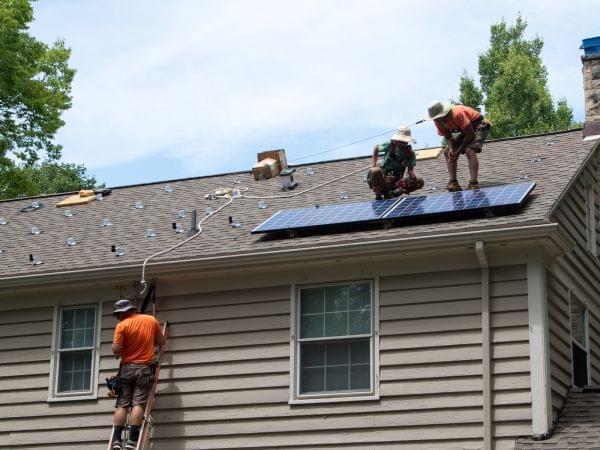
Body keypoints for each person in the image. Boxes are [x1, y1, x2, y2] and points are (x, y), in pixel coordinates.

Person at [110, 299, 166, 450]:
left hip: (127, 368)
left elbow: (115, 349)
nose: (118, 318)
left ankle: (116, 441)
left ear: (123, 312)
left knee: (122, 404)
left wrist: (125, 346)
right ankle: (131, 442)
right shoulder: (151, 320)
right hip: (144, 369)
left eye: (118, 314)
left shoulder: (122, 325)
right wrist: (147, 343)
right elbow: (161, 341)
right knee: (138, 404)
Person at [428, 101, 492, 192]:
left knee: (469, 150)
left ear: (444, 114)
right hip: (466, 131)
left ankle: (474, 183)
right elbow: (448, 137)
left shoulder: (457, 114)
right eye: (436, 118)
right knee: (447, 152)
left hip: (480, 125)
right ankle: (454, 183)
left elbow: (470, 134)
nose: (438, 120)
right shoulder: (438, 122)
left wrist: (458, 151)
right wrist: (451, 149)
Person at [368, 126, 424, 200]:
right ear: (396, 140)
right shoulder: (390, 145)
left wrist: (412, 177)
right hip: (382, 179)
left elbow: (410, 170)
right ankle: (378, 194)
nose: (402, 144)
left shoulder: (410, 154)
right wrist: (374, 165)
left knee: (419, 181)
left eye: (404, 142)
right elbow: (376, 147)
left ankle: (392, 194)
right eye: (401, 141)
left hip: (396, 181)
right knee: (375, 171)